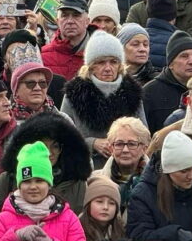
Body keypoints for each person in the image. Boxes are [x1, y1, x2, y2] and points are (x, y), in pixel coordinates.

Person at [60, 31, 147, 167]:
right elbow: (63, 137)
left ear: (120, 65)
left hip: (126, 169)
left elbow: (144, 134)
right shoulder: (74, 95)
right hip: (87, 169)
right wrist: (92, 143)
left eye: (113, 62)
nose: (108, 68)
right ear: (90, 66)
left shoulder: (132, 93)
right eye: (100, 62)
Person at [0, 110, 93, 214]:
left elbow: (84, 223)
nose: (49, 153)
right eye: (42, 146)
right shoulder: (9, 179)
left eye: (55, 146)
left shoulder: (77, 182)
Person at [0, 140, 87, 241]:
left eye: (39, 181)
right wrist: (15, 237)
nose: (33, 187)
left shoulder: (69, 218)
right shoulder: (1, 220)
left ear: (49, 184)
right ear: (19, 185)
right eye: (26, 182)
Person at [127, 131, 192, 241]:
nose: (191, 176)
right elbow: (139, 236)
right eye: (184, 171)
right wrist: (174, 233)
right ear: (168, 171)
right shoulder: (143, 194)